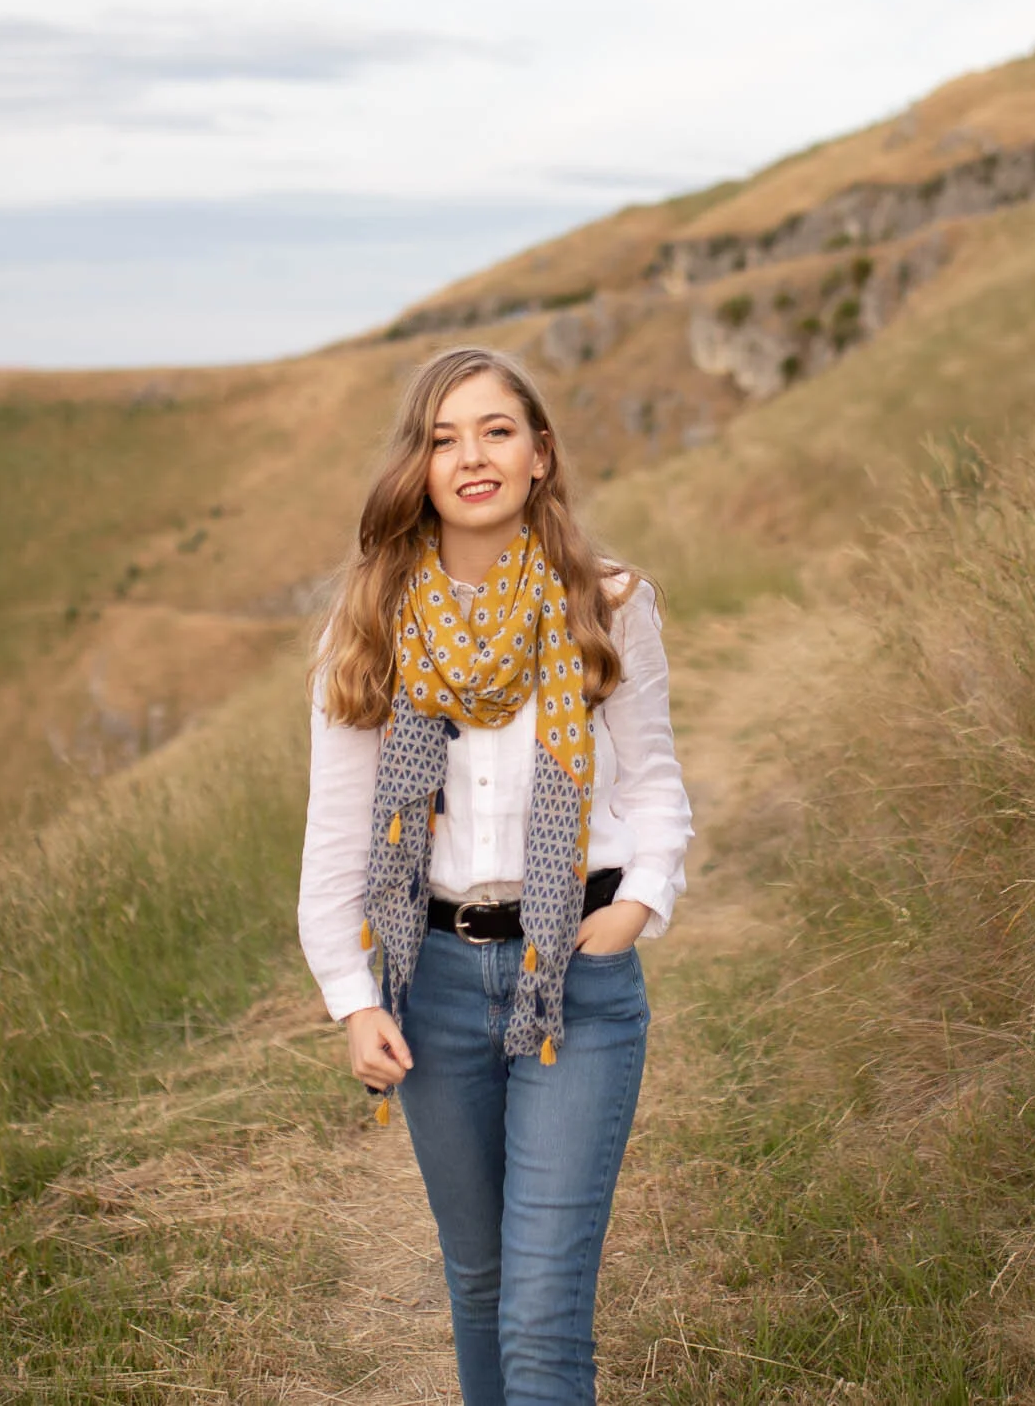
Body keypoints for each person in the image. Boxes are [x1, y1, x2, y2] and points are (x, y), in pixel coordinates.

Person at [296, 344, 694, 1404]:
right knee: (477, 1284)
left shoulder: (604, 602)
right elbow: (335, 834)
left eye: (496, 429)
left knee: (539, 1313)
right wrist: (349, 995)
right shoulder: (372, 624)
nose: (471, 455)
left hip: (578, 979)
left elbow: (655, 782)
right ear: (417, 468)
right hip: (431, 982)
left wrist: (640, 901)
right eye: (442, 437)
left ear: (539, 453)